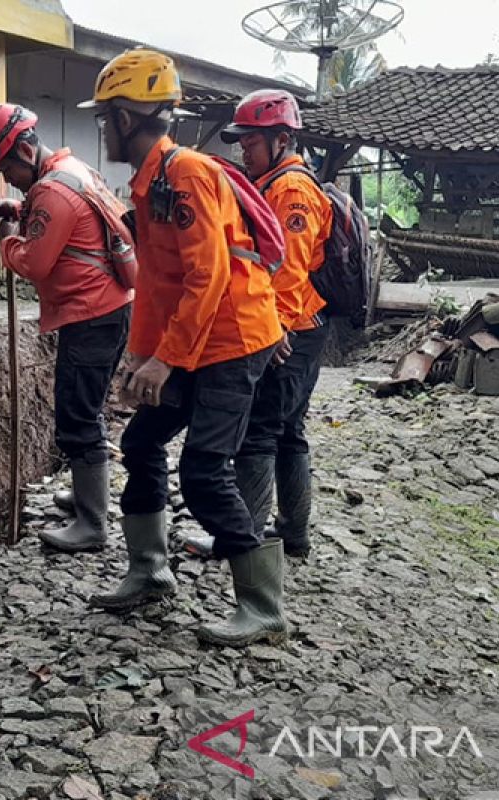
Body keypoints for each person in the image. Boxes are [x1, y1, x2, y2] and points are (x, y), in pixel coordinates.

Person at [79, 48, 288, 648]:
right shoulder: (152, 183)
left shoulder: (187, 174)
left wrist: (165, 360)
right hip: (195, 340)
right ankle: (149, 570)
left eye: (105, 117)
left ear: (124, 118)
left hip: (229, 340)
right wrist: (144, 359)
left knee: (202, 470)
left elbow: (209, 276)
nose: (103, 128)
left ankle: (263, 605)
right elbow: (159, 284)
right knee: (142, 440)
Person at [0, 103, 133, 553]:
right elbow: (67, 226)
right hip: (106, 308)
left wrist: (8, 240)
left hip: (90, 314)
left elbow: (38, 262)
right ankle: (86, 498)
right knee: (84, 408)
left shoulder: (53, 192)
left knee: (77, 416)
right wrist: (23, 210)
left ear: (25, 149)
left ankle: (93, 523)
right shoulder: (71, 171)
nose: (6, 176)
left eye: (6, 165)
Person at [185, 90, 332, 560]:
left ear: (282, 139)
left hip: (294, 327)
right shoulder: (273, 181)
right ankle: (292, 535)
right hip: (302, 323)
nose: (242, 151)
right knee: (288, 429)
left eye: (250, 142)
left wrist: (278, 327)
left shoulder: (291, 189)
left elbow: (291, 265)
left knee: (262, 430)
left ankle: (241, 539)